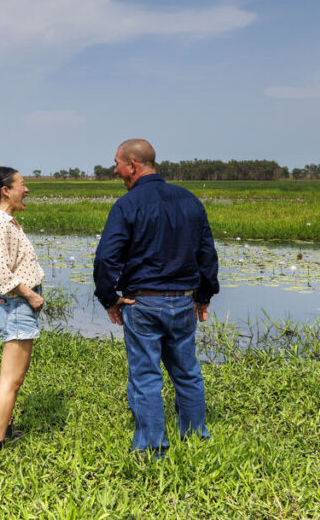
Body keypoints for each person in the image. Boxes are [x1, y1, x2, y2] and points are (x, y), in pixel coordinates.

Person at [93, 139, 219, 456]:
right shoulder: (190, 201)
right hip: (183, 302)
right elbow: (207, 255)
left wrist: (109, 298)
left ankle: (152, 449)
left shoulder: (127, 205)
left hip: (143, 303)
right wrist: (203, 295)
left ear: (133, 165)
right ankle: (194, 439)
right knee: (187, 372)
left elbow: (106, 259)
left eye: (117, 163)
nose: (115, 169)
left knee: (145, 376)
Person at [0, 166, 45, 451]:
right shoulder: (0, 224)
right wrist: (30, 295)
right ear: (6, 190)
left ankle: (5, 427)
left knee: (14, 378)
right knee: (12, 380)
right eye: (22, 185)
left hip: (19, 305)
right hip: (18, 305)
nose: (26, 189)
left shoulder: (8, 221)